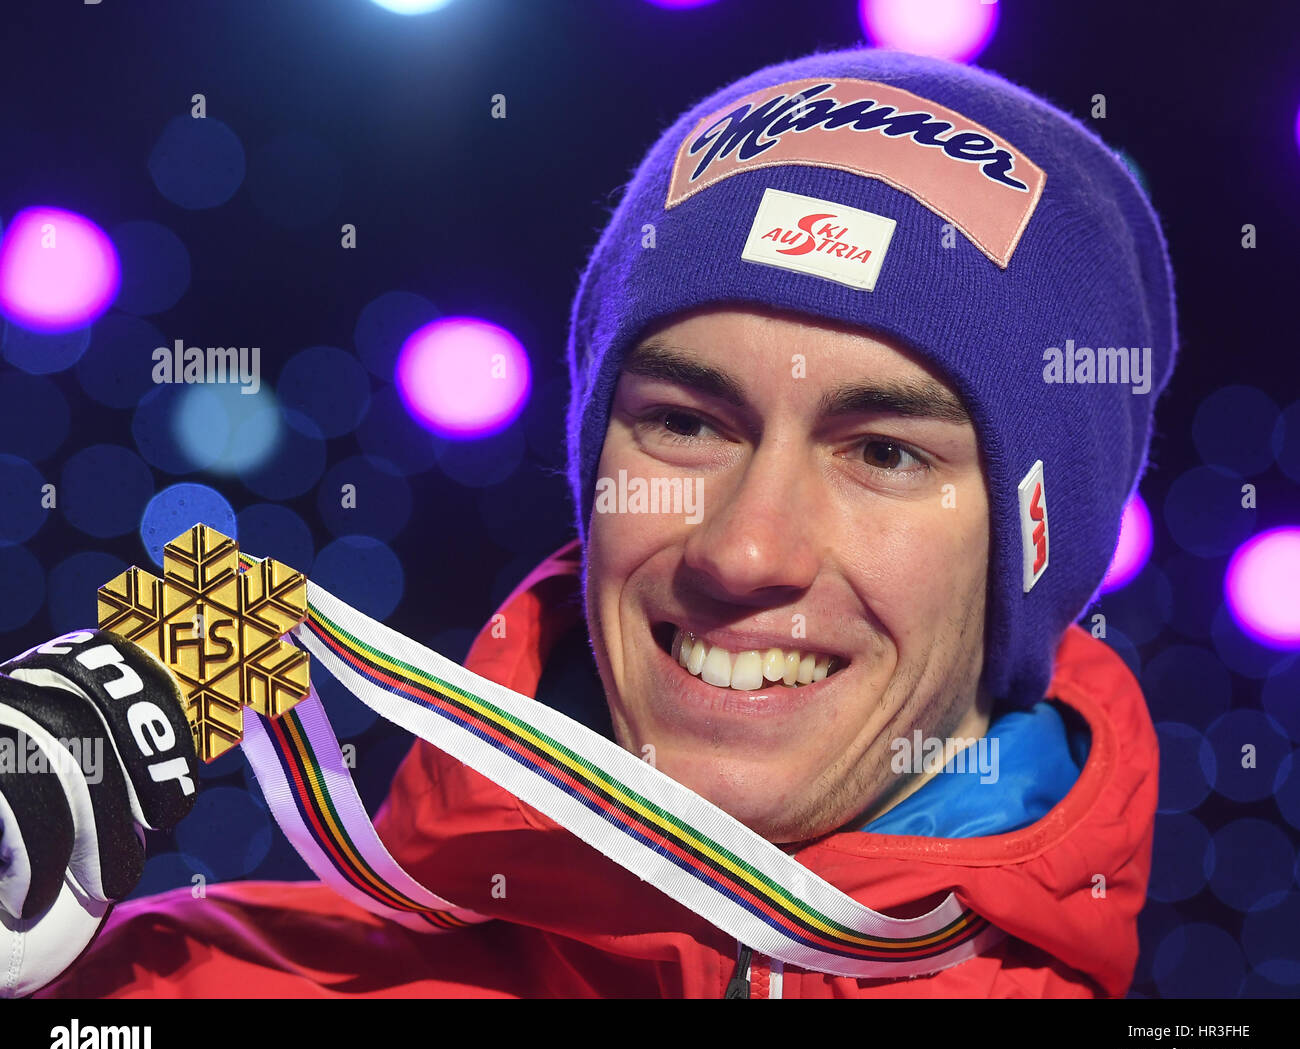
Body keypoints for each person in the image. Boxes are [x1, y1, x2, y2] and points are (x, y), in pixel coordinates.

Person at [2, 44, 1174, 999]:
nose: (741, 550)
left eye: (882, 452)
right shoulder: (172, 990)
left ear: (1035, 550)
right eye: (688, 423)